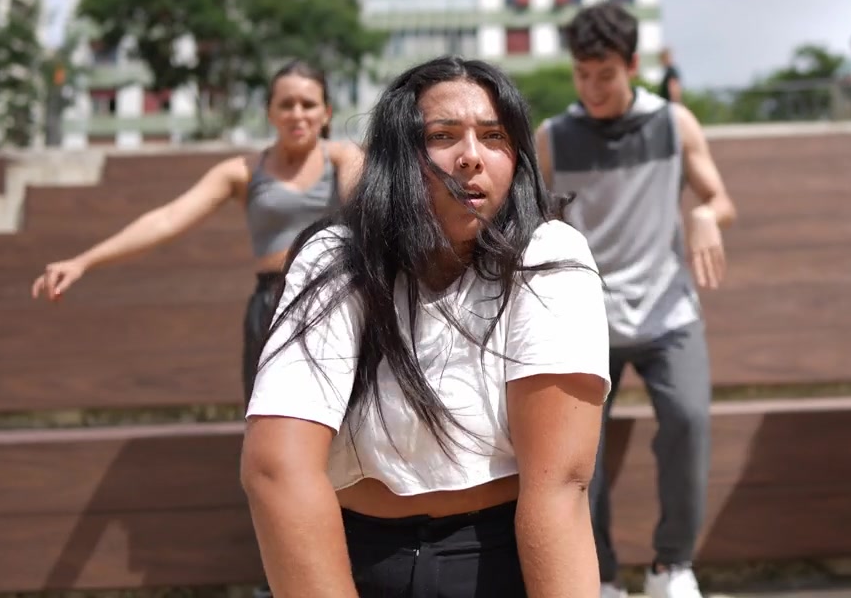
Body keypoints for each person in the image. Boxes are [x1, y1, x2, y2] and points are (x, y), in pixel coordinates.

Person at [241, 55, 611, 598]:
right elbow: (277, 469)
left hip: (501, 556)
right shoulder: (335, 258)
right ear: (398, 155)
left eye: (494, 136)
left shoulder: (550, 257)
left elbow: (559, 485)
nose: (471, 156)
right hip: (353, 558)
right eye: (442, 136)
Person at [535, 1, 738, 598]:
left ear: (632, 65)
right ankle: (598, 575)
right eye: (581, 74)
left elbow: (719, 199)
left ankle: (671, 566)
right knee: (579, 451)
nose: (592, 88)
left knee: (689, 421)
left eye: (605, 74)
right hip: (585, 319)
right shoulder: (554, 138)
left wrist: (706, 214)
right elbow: (530, 218)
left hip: (667, 311)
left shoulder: (674, 124)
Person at [31, 59, 364, 408]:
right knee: (270, 418)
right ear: (270, 112)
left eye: (308, 104)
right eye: (286, 104)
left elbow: (363, 210)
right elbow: (168, 219)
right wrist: (83, 262)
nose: (297, 114)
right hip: (272, 300)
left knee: (344, 416)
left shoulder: (344, 158)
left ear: (326, 113)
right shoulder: (242, 171)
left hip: (333, 295)